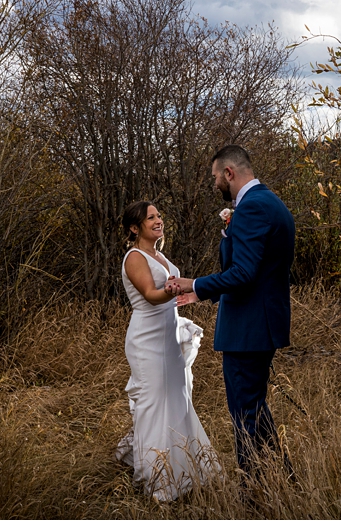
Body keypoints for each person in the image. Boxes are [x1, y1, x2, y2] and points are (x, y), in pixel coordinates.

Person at [165, 144, 295, 481]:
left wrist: (195, 284)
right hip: (260, 324)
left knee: (243, 415)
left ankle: (251, 494)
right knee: (253, 406)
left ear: (229, 173)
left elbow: (244, 273)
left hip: (249, 329)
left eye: (214, 178)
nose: (214, 185)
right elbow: (251, 268)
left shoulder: (252, 208)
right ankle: (286, 476)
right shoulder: (268, 202)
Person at [114, 200, 220, 501]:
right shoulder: (134, 257)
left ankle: (179, 470)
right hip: (147, 339)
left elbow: (171, 288)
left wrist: (190, 291)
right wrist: (172, 290)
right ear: (135, 228)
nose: (158, 220)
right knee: (153, 403)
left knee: (175, 398)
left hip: (168, 336)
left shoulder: (158, 255)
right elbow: (150, 294)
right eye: (150, 218)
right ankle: (156, 478)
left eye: (159, 215)